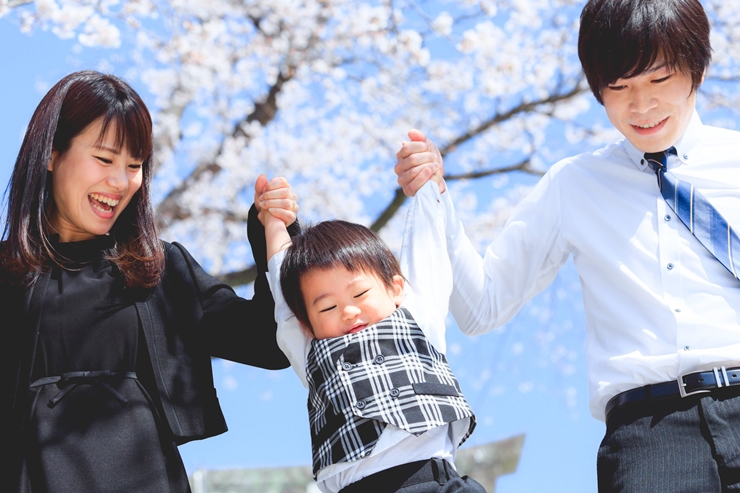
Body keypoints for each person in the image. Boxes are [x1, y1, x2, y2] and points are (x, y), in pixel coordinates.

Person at [394, 0, 740, 491]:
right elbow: (482, 307)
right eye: (618, 88)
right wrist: (438, 200)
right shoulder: (572, 185)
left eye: (659, 81)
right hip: (652, 437)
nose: (641, 106)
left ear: (696, 69)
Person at [0, 70, 300, 492]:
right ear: (51, 153)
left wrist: (272, 237)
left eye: (135, 165)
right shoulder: (7, 274)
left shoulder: (160, 270)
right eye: (104, 159)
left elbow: (270, 342)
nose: (120, 182)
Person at [259, 171, 484, 493]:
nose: (348, 311)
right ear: (306, 323)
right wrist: (274, 223)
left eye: (360, 294)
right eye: (327, 308)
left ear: (396, 288)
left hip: (434, 483)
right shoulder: (311, 350)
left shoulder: (416, 318)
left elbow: (427, 251)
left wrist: (426, 188)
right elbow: (285, 296)